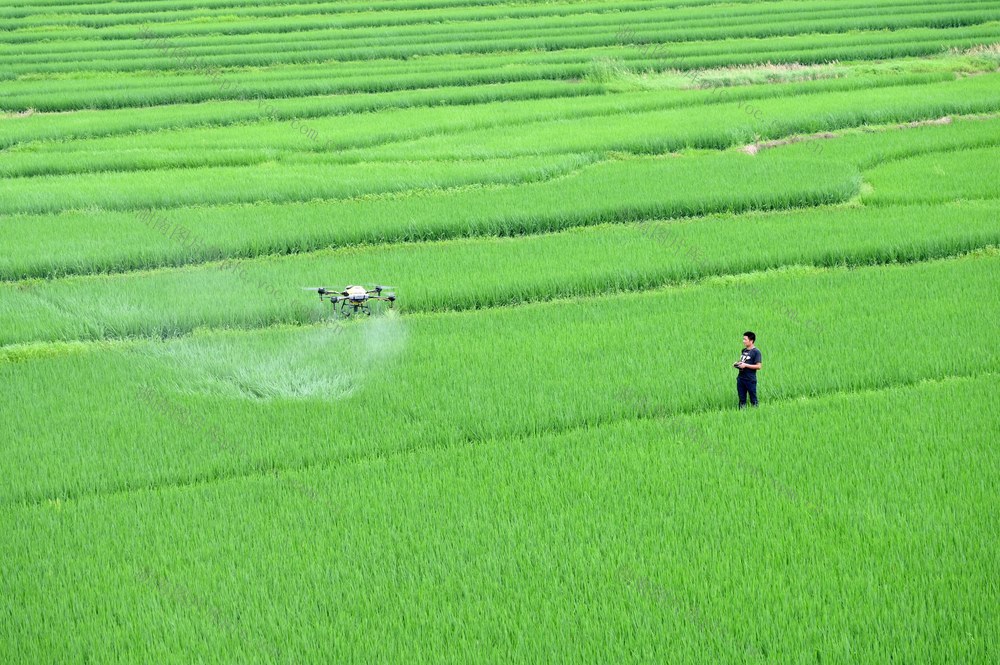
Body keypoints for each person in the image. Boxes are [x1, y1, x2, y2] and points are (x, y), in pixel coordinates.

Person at [734, 331, 762, 408]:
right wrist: (738, 364)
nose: (743, 341)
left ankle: (756, 414)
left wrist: (745, 365)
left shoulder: (756, 352)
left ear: (751, 341)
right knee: (741, 400)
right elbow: (743, 362)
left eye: (745, 339)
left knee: (753, 400)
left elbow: (759, 366)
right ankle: (742, 416)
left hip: (750, 380)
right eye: (743, 339)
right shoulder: (744, 350)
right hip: (741, 379)